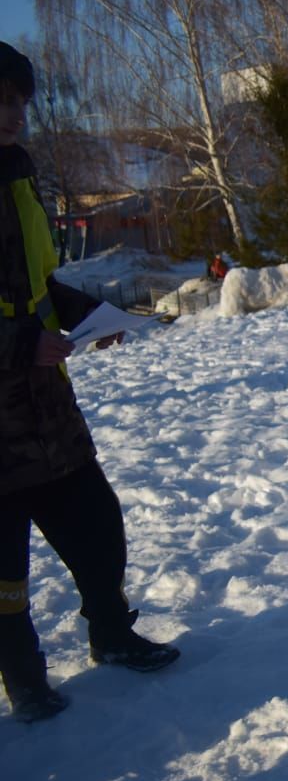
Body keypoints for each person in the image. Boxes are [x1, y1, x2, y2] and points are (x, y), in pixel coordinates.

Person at [0, 41, 180, 723]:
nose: (14, 113)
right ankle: (25, 683)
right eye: (2, 99)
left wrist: (90, 315)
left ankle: (110, 633)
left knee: (99, 529)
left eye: (20, 100)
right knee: (4, 576)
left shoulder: (19, 176)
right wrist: (21, 343)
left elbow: (38, 285)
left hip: (46, 411)